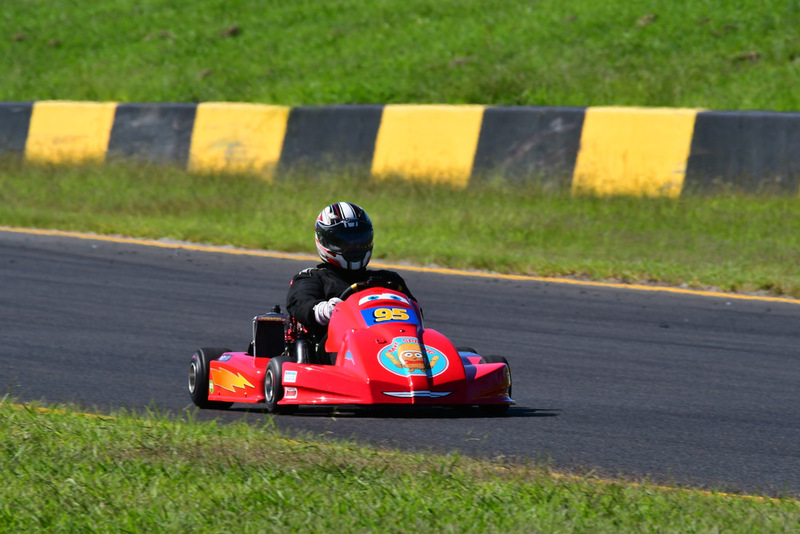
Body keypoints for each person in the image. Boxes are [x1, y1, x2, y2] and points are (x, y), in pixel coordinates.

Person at [286, 202, 415, 349]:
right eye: (344, 241)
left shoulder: (389, 280)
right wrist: (324, 310)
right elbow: (301, 304)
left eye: (359, 239)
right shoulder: (312, 278)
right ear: (324, 241)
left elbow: (416, 315)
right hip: (337, 349)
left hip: (393, 347)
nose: (354, 247)